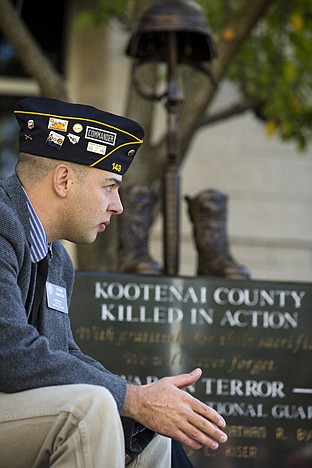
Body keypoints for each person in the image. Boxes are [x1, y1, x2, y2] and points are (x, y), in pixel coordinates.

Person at [0, 97, 228, 467]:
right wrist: (134, 398)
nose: (118, 205)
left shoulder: (56, 257)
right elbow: (10, 353)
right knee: (93, 408)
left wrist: (146, 408)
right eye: (110, 186)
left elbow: (61, 355)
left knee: (147, 435)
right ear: (63, 180)